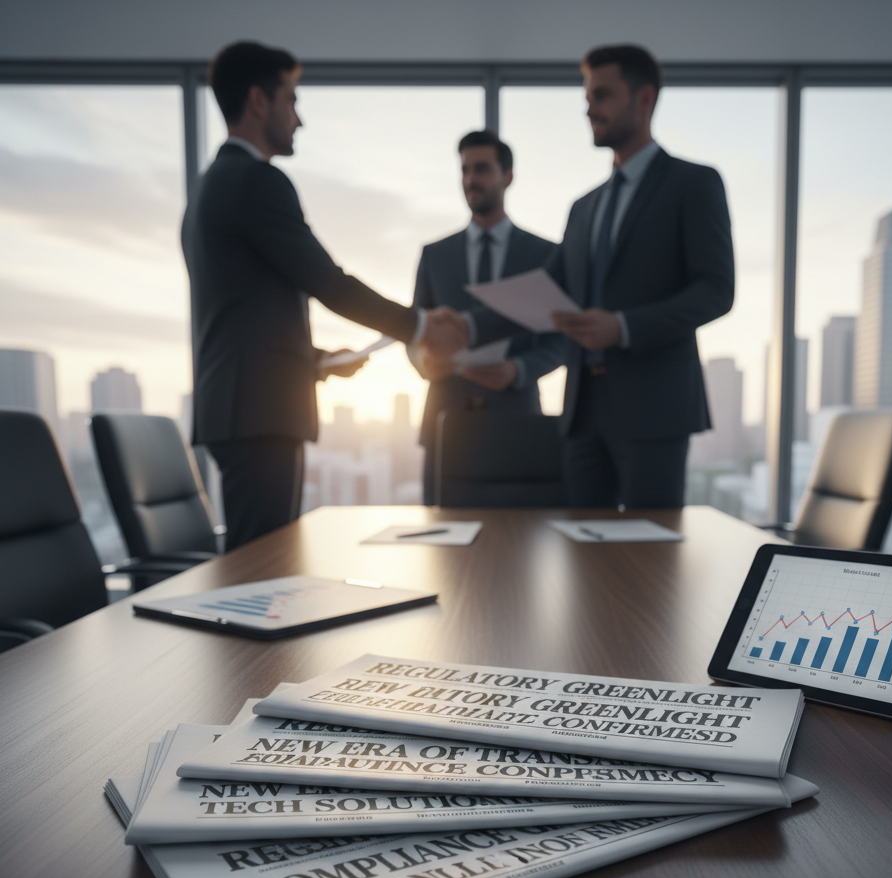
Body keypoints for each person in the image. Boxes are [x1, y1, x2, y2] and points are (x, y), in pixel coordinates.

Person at [181, 41, 461, 549]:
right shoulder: (256, 182)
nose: (299, 119)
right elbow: (327, 281)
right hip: (258, 412)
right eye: (292, 100)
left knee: (258, 560)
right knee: (259, 566)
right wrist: (418, 326)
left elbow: (241, 313)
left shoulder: (209, 186)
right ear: (259, 101)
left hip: (241, 405)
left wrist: (314, 360)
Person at [455, 44, 735, 508]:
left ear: (644, 99)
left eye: (602, 95)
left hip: (654, 409)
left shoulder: (694, 183)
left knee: (651, 562)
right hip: (583, 413)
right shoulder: (584, 207)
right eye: (587, 97)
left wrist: (623, 327)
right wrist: (465, 327)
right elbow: (543, 292)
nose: (589, 109)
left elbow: (716, 291)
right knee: (581, 558)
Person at [409, 129, 560, 504]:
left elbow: (561, 340)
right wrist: (424, 363)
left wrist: (519, 370)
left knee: (519, 547)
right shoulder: (434, 255)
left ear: (507, 176)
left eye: (481, 169)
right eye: (464, 170)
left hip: (517, 423)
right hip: (445, 421)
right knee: (443, 554)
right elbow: (413, 332)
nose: (470, 180)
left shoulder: (545, 256)